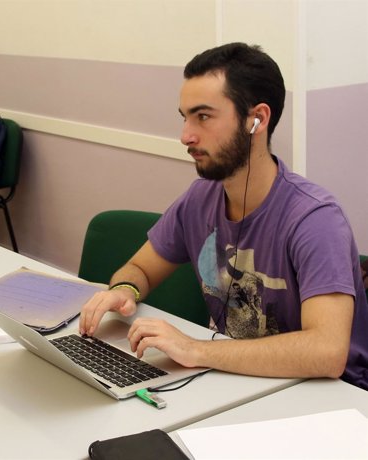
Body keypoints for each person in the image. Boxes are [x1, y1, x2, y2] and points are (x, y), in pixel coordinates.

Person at [79, 43, 368, 390]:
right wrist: (124, 290)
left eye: (203, 116)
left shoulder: (315, 219)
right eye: (184, 117)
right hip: (231, 380)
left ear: (257, 119)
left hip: (320, 398)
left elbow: (327, 352)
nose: (186, 135)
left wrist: (194, 349)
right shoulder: (199, 198)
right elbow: (139, 269)